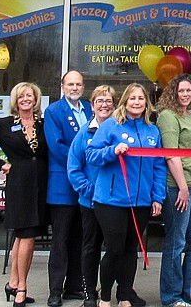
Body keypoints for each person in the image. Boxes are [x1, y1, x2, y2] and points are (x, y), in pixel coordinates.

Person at [86, 84, 166, 307]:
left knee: (131, 249)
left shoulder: (153, 131)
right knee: (114, 248)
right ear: (125, 101)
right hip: (111, 200)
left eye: (141, 98)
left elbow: (159, 166)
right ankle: (104, 297)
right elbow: (91, 154)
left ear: (146, 103)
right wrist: (112, 151)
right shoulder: (111, 125)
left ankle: (124, 295)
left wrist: (157, 197)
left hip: (140, 201)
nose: (137, 102)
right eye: (132, 98)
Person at [67, 86, 146, 307]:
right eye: (99, 101)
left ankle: (124, 291)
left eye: (109, 101)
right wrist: (91, 191)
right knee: (92, 247)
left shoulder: (122, 127)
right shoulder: (85, 133)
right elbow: (74, 168)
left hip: (118, 200)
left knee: (120, 248)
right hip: (92, 201)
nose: (104, 105)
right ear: (91, 106)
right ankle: (90, 292)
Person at [0, 82, 49, 307]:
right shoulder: (5, 124)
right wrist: (0, 165)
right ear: (16, 100)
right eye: (22, 96)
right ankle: (22, 288)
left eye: (31, 96)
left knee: (23, 235)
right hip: (19, 185)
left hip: (41, 184)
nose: (27, 99)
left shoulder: (43, 124)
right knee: (26, 235)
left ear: (36, 100)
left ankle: (13, 283)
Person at [157, 74, 191, 307]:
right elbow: (171, 154)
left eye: (189, 91)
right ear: (173, 92)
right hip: (178, 187)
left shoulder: (189, 115)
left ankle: (190, 292)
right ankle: (171, 297)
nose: (186, 94)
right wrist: (182, 187)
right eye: (181, 91)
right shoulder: (168, 116)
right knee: (176, 242)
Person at [44, 70, 93, 307]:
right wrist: (83, 163)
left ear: (84, 87)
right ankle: (55, 290)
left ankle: (74, 286)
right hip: (63, 185)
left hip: (85, 187)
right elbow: (56, 147)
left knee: (81, 239)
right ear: (62, 86)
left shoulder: (90, 109)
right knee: (61, 241)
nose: (74, 88)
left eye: (78, 84)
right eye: (70, 84)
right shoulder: (53, 111)